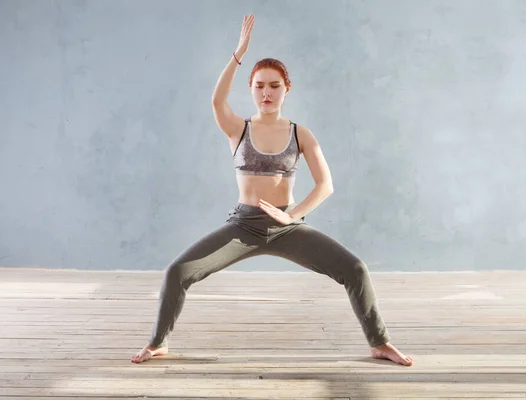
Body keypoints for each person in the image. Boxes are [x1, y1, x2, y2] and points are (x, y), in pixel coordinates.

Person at [131, 14, 413, 367]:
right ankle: (159, 343)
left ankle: (380, 342)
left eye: (275, 85)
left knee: (355, 269)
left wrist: (290, 216)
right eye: (260, 85)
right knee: (178, 272)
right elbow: (217, 102)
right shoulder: (237, 129)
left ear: (286, 89)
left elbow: (326, 185)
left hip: (288, 226)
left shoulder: (301, 134)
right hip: (243, 227)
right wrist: (238, 53)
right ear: (250, 88)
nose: (267, 92)